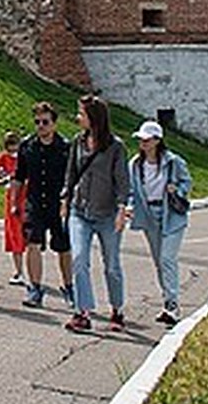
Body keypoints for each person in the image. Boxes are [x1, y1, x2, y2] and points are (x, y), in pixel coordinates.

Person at [62, 94, 130, 333]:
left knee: (111, 264)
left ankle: (117, 310)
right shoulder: (77, 142)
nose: (77, 117)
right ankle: (83, 312)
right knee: (79, 260)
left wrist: (122, 210)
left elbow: (123, 182)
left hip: (107, 214)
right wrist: (65, 198)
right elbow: (71, 174)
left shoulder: (116, 147)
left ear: (94, 117)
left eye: (81, 113)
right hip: (79, 211)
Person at [127, 119, 193, 326]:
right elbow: (131, 191)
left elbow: (187, 181)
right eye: (141, 139)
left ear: (157, 140)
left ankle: (173, 304)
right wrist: (130, 206)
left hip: (171, 215)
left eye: (147, 139)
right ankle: (167, 301)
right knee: (158, 261)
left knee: (167, 259)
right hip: (149, 214)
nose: (143, 143)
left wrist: (178, 190)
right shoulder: (135, 164)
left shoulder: (173, 161)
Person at [14, 101, 74, 309]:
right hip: (35, 202)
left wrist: (68, 201)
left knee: (63, 247)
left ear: (54, 124)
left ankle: (68, 287)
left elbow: (72, 178)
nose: (41, 126)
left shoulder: (66, 147)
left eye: (45, 122)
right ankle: (35, 288)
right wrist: (15, 202)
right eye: (37, 122)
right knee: (33, 244)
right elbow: (19, 177)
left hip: (58, 204)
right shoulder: (27, 146)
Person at [0, 131, 26, 285]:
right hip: (11, 196)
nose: (13, 150)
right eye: (10, 146)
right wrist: (4, 178)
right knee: (14, 234)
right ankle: (19, 270)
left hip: (25, 196)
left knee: (26, 234)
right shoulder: (2, 158)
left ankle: (26, 270)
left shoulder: (25, 157)